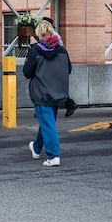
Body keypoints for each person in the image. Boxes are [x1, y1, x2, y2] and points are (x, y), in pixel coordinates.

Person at [23, 19, 72, 167]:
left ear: (39, 34)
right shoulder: (62, 50)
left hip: (41, 92)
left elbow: (27, 72)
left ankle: (53, 155)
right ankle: (37, 147)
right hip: (57, 92)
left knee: (48, 124)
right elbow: (68, 69)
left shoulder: (36, 50)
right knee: (47, 123)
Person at [42, 17, 79, 117]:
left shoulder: (54, 36)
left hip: (55, 65)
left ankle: (70, 104)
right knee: (55, 89)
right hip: (56, 66)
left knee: (54, 89)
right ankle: (69, 104)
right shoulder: (52, 35)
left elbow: (56, 50)